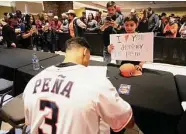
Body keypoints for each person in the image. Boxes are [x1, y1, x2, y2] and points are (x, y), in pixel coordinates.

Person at [23, 37, 134, 134]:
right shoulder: (97, 82)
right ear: (85, 52)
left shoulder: (33, 81)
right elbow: (127, 121)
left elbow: (29, 120)